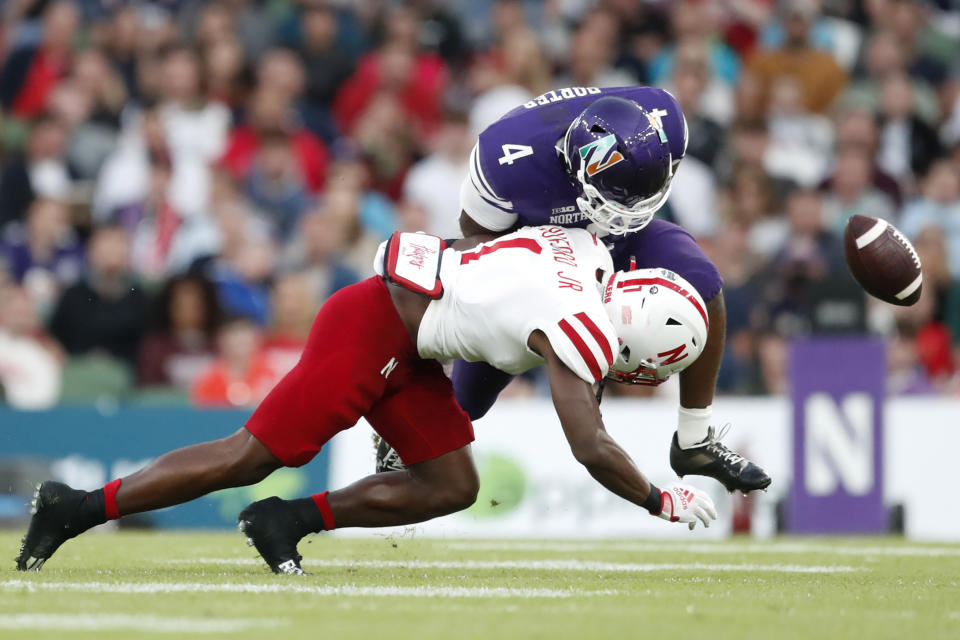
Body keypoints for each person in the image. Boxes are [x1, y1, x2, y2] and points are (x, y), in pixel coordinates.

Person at [17, 225, 716, 574]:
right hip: (375, 325)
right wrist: (661, 498)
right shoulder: (580, 321)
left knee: (451, 483)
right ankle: (75, 509)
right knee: (250, 456)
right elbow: (588, 442)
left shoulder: (592, 252)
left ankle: (286, 522)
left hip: (415, 336)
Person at [397, 85, 771, 494]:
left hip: (618, 235)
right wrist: (560, 303)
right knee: (468, 399)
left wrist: (617, 222)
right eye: (622, 198)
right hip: (534, 256)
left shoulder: (664, 119)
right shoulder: (504, 159)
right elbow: (482, 251)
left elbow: (635, 205)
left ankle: (695, 440)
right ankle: (405, 440)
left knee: (703, 283)